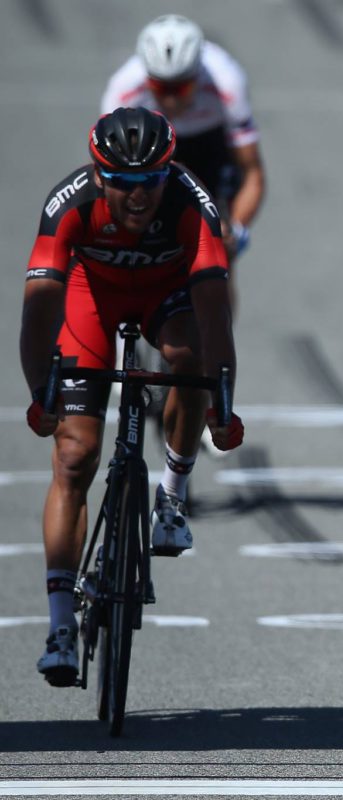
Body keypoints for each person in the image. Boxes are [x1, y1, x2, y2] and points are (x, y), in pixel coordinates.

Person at [22, 108, 244, 686]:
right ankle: (61, 623)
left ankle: (171, 497)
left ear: (166, 175)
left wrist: (222, 403)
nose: (139, 195)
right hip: (88, 298)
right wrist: (38, 393)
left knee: (188, 358)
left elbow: (217, 318)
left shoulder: (193, 205)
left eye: (151, 181)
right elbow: (38, 311)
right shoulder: (66, 204)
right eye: (124, 183)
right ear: (100, 177)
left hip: (164, 297)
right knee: (74, 457)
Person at [102, 14, 265, 270]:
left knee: (218, 260)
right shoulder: (123, 88)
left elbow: (252, 171)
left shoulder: (227, 82)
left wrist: (235, 228)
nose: (171, 102)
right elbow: (106, 172)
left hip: (210, 149)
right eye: (160, 88)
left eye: (180, 89)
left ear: (197, 76)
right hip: (152, 152)